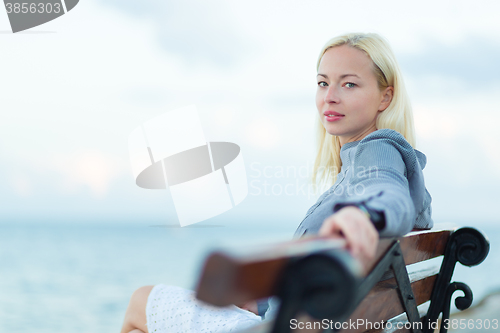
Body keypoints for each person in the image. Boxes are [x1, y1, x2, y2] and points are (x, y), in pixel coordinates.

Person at [120, 32, 433, 333]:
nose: (329, 97)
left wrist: (365, 215)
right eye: (323, 83)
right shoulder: (363, 163)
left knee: (140, 301)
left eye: (349, 84)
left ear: (385, 97)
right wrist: (262, 300)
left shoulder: (379, 150)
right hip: (302, 320)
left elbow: (389, 194)